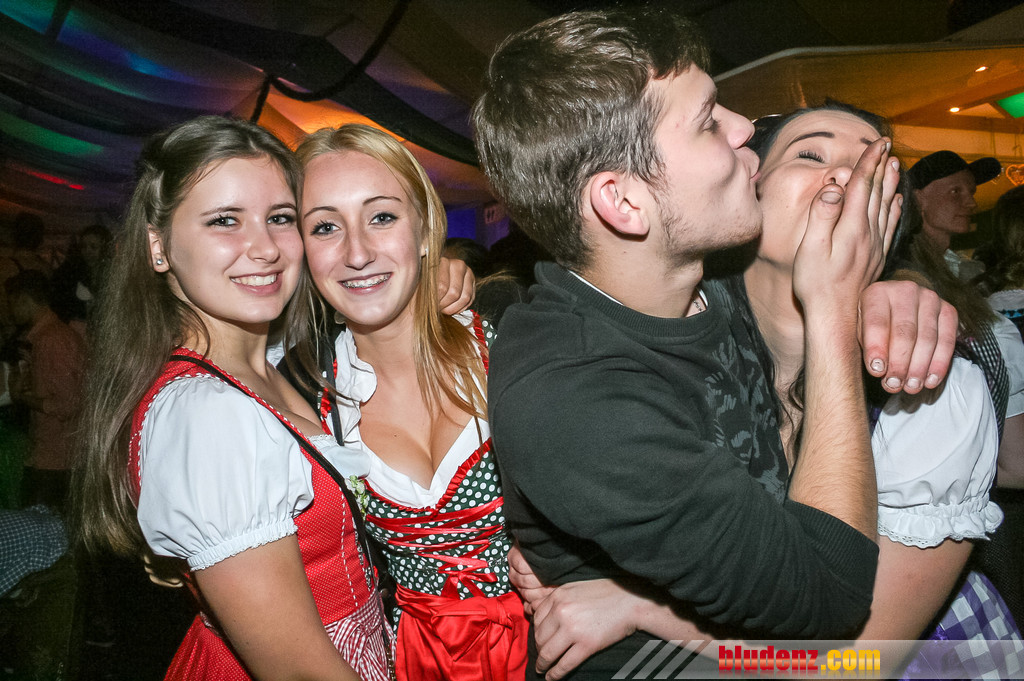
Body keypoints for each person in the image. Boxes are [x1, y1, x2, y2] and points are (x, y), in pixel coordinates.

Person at [472, 7, 955, 678]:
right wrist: (836, 307)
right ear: (624, 203)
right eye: (707, 121)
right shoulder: (577, 401)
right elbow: (829, 598)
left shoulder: (711, 276)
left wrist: (896, 290)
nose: (743, 127)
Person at [515, 103, 1024, 681]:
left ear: (892, 217)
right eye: (810, 154)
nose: (845, 176)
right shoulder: (676, 333)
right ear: (744, 189)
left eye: (871, 167)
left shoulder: (933, 389)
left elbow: (855, 663)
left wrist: (642, 608)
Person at [72, 116, 391, 681]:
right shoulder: (208, 416)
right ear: (158, 246)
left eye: (280, 218)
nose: (264, 248)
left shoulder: (274, 364)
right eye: (225, 220)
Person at [286, 123, 527, 681]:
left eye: (382, 217)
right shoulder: (303, 392)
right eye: (325, 227)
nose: (357, 252)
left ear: (424, 228)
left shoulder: (511, 337)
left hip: (555, 650)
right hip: (416, 663)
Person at [5, 269, 85, 512]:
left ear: (23, 300)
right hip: (52, 454)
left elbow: (68, 403)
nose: (10, 311)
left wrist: (22, 398)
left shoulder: (53, 340)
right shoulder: (45, 338)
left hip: (56, 458)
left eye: (11, 303)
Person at [908, 149, 1001, 280]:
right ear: (918, 199)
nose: (972, 203)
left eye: (972, 192)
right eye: (955, 191)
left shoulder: (963, 268)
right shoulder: (902, 268)